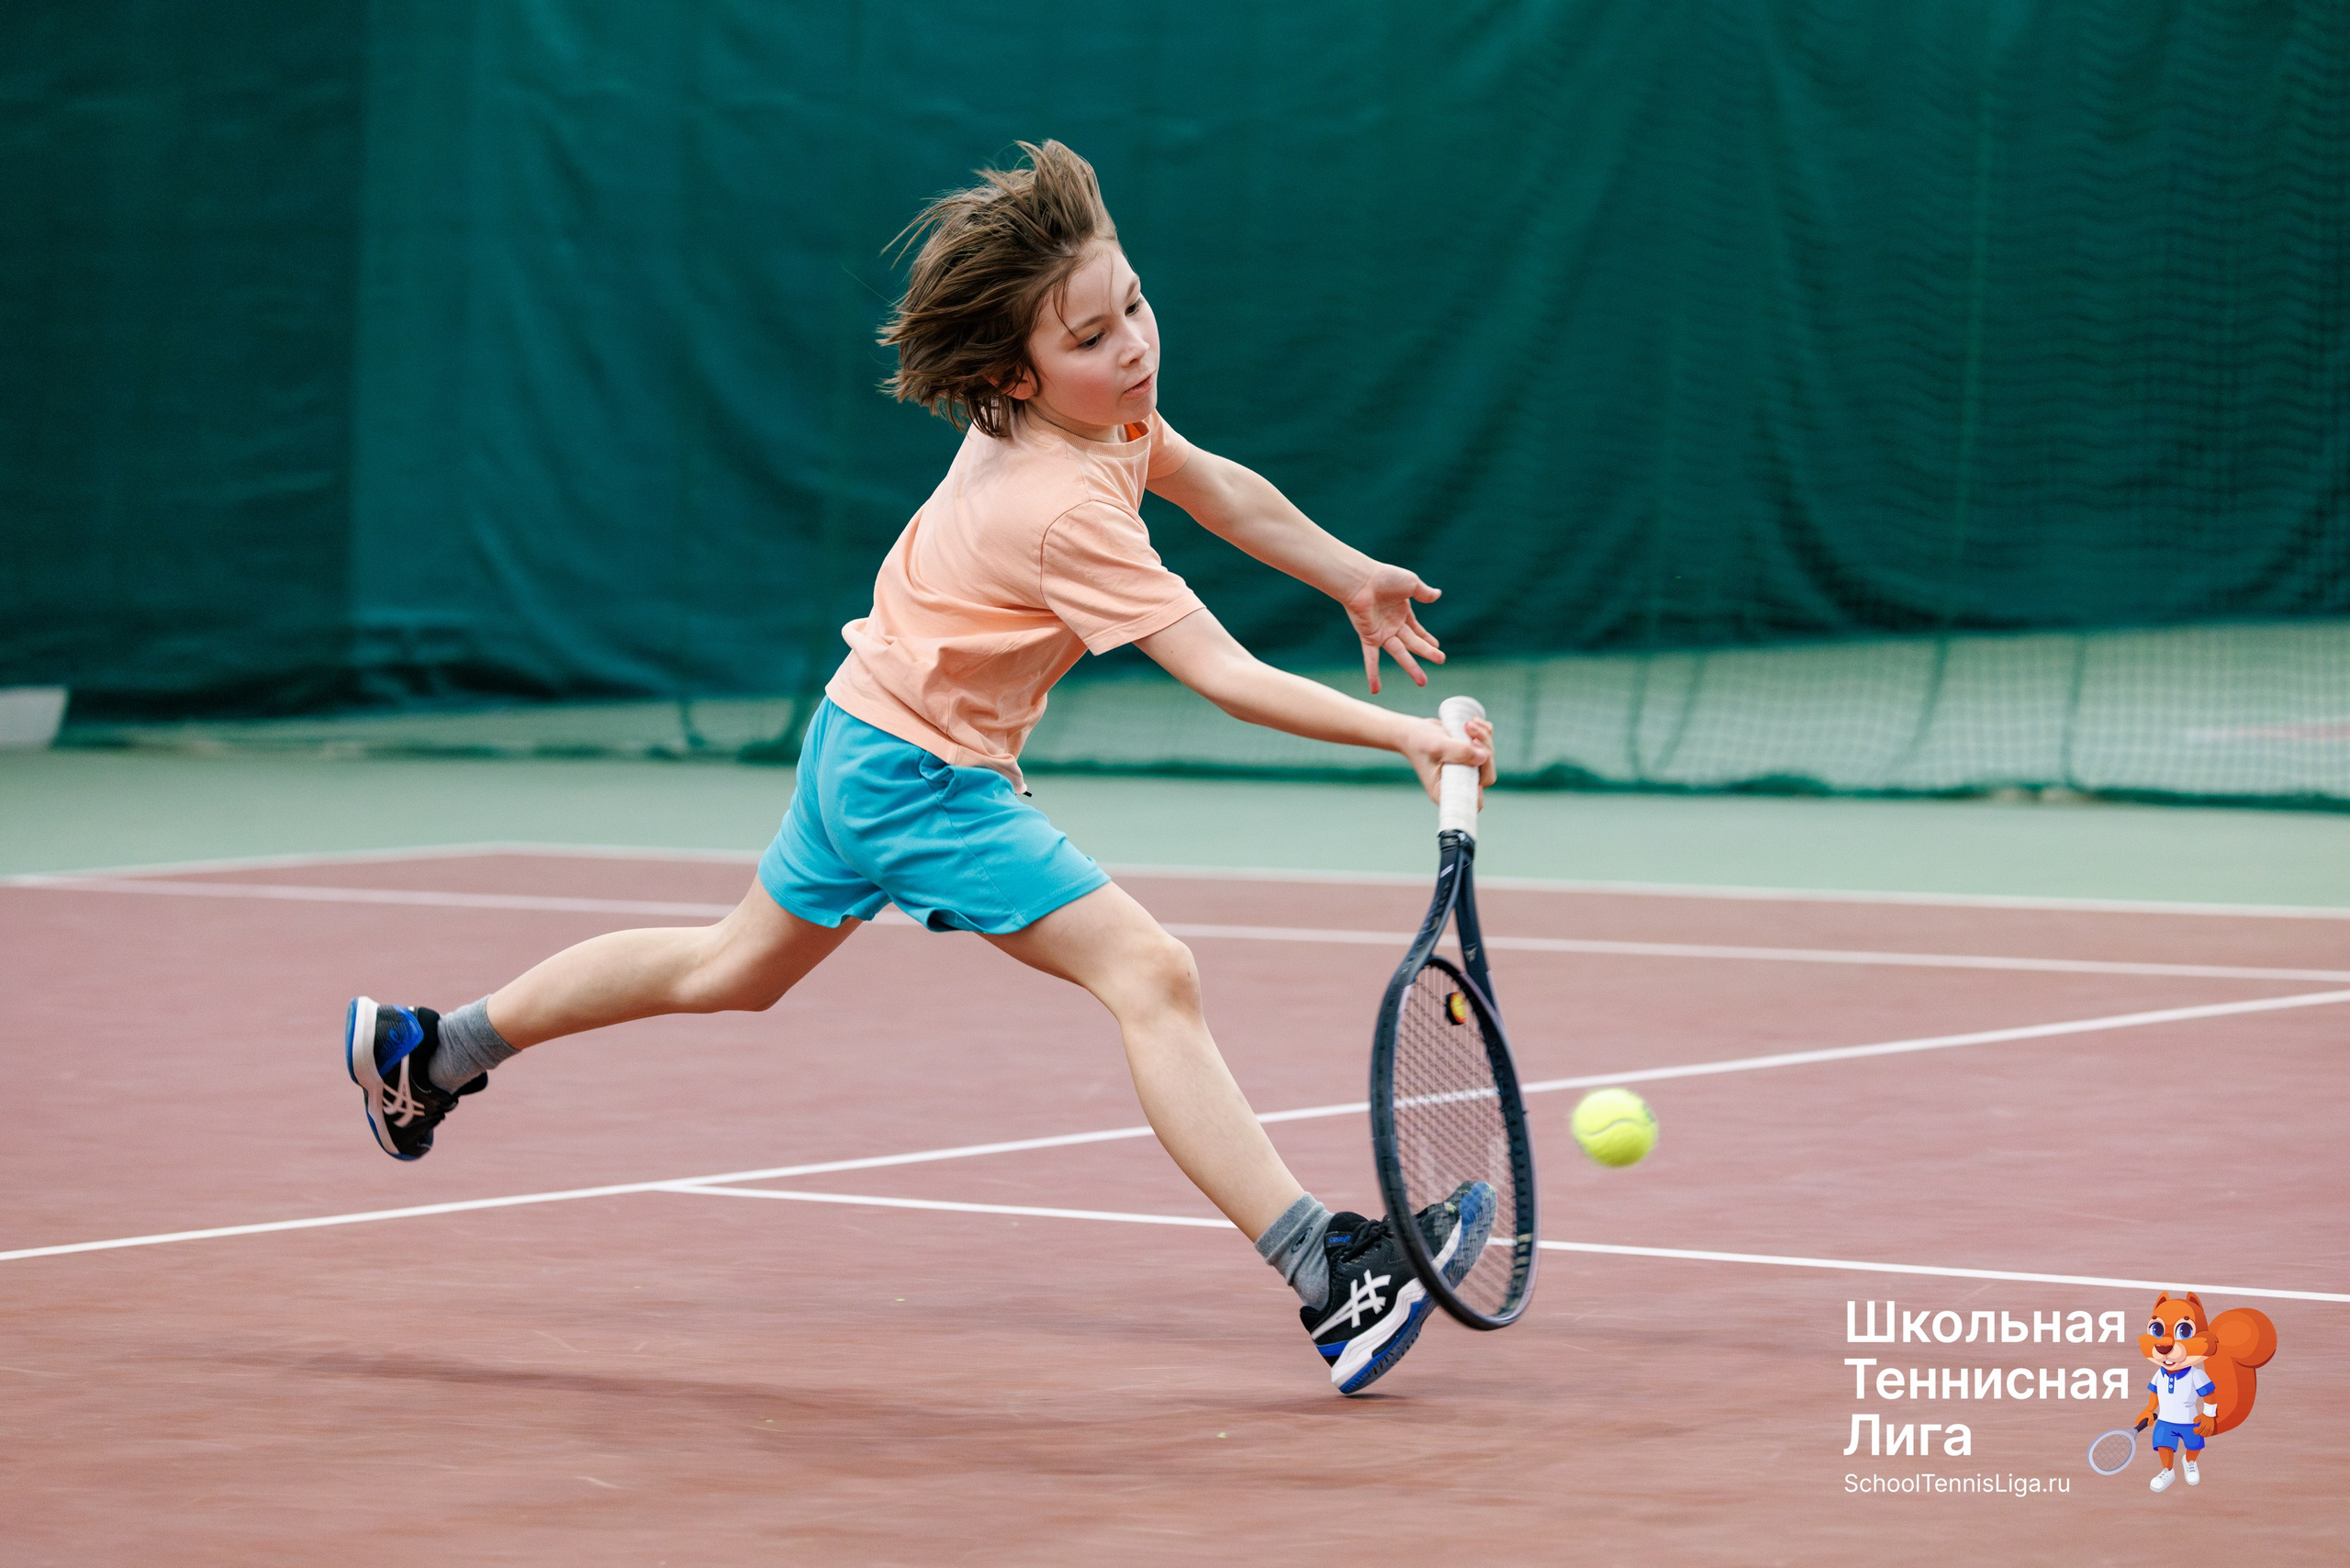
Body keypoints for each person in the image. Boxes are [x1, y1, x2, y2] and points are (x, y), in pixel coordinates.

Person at [344, 140, 1496, 1395]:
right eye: (1096, 337)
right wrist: (1409, 737)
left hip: (863, 730)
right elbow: (1220, 674)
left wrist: (1347, 574)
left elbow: (1214, 485)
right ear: (1017, 373)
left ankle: (431, 1051)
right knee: (1150, 973)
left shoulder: (1100, 413)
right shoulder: (1058, 505)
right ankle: (1334, 1275)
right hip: (919, 774)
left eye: (1136, 308)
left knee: (729, 969)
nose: (1135, 348)